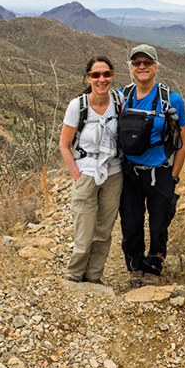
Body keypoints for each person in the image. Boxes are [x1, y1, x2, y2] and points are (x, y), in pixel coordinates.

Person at [119, 44, 185, 287]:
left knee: (159, 224)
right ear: (130, 68)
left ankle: (154, 265)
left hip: (160, 173)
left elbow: (182, 140)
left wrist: (174, 175)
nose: (142, 67)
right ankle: (135, 265)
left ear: (156, 66)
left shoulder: (171, 99)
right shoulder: (122, 96)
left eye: (147, 62)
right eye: (136, 63)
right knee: (131, 224)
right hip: (129, 173)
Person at [59, 56, 124, 284]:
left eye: (106, 74)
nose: (102, 79)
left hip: (113, 172)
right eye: (96, 75)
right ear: (88, 77)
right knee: (84, 234)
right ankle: (75, 276)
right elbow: (64, 144)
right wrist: (76, 175)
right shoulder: (78, 106)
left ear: (112, 75)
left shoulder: (119, 100)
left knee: (104, 231)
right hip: (86, 173)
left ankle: (94, 276)